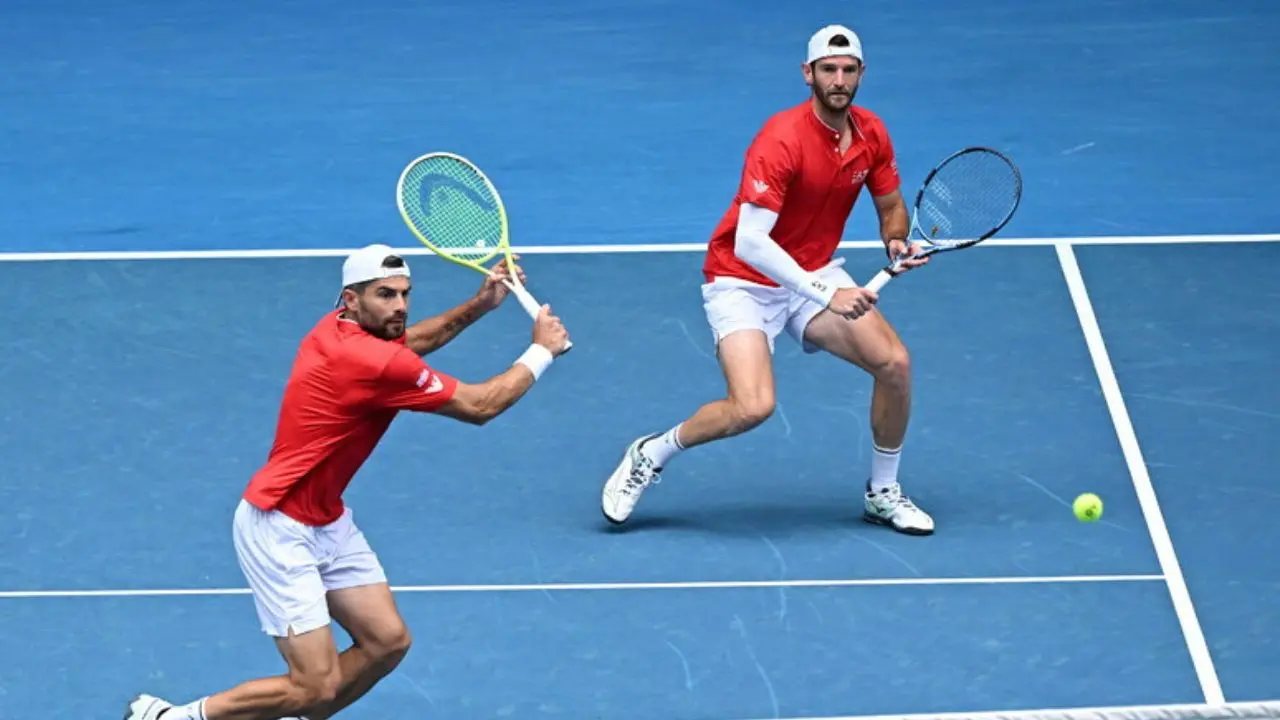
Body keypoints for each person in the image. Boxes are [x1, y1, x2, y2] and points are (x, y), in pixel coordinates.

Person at [125, 243, 571, 720]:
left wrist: (479, 305)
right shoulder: (373, 363)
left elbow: (409, 342)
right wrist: (541, 351)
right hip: (278, 528)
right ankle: (173, 719)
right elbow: (481, 405)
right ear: (352, 298)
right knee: (314, 685)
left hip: (327, 520)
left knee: (386, 643)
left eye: (405, 293)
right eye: (385, 295)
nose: (399, 306)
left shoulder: (337, 329)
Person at [601, 24, 935, 536]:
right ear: (809, 74)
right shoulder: (780, 139)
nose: (839, 79)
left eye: (848, 70)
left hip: (810, 270)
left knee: (895, 364)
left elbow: (890, 205)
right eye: (828, 69)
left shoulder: (871, 134)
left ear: (862, 74)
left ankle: (882, 493)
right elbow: (751, 243)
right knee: (752, 407)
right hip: (743, 280)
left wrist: (895, 240)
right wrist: (827, 291)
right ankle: (652, 452)